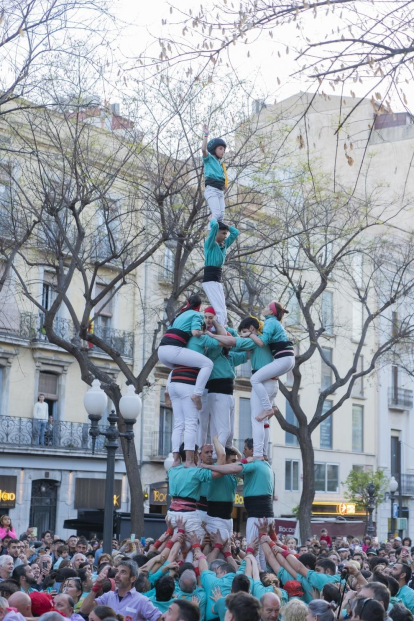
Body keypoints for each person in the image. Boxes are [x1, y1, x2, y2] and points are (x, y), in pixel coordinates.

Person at [211, 317, 278, 460]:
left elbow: (231, 341)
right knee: (265, 422)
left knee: (257, 420)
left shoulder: (254, 341)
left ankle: (259, 454)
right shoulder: (266, 341)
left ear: (252, 330)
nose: (243, 335)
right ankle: (264, 453)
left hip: (263, 383)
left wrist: (212, 335)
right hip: (272, 384)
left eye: (245, 332)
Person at [200, 456, 274, 569]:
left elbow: (235, 468)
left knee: (255, 553)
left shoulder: (251, 468)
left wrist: (231, 551)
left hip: (239, 519)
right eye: (233, 461)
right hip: (215, 517)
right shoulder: (215, 470)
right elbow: (231, 465)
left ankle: (259, 573)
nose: (238, 462)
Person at [167, 326, 222, 467]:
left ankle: (176, 459)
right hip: (187, 382)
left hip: (174, 381)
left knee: (178, 424)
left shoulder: (182, 341)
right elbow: (223, 341)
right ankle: (190, 461)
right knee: (191, 423)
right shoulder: (200, 338)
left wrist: (167, 390)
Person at [158, 294, 213, 411]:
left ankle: (167, 389)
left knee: (176, 366)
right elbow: (194, 332)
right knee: (208, 364)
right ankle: (197, 394)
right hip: (172, 349)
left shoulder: (179, 315)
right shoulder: (197, 314)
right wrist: (205, 333)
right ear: (199, 306)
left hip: (161, 350)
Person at [248, 301, 295, 420]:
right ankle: (273, 406)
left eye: (266, 307)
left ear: (271, 312)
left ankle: (268, 408)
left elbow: (262, 342)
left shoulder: (269, 322)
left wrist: (250, 335)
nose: (263, 308)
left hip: (283, 359)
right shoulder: (275, 323)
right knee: (266, 378)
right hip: (288, 359)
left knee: (254, 379)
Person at [80, 560, 161, 621]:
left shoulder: (141, 601)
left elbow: (159, 618)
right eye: (117, 571)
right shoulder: (108, 596)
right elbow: (84, 609)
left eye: (123, 572)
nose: (117, 575)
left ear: (132, 578)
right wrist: (97, 586)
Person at [201, 217, 239, 330]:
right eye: (223, 233)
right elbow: (214, 227)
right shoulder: (210, 244)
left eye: (226, 234)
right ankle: (219, 329)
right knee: (219, 309)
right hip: (210, 280)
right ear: (216, 233)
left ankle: (223, 327)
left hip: (216, 280)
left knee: (223, 308)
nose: (225, 236)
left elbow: (235, 232)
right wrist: (213, 220)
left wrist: (226, 226)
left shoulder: (223, 245)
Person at [201, 126, 227, 224]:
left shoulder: (221, 165)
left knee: (221, 217)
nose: (223, 151)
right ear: (214, 149)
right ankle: (210, 234)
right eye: (220, 149)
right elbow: (203, 150)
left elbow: (222, 178)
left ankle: (217, 236)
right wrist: (206, 135)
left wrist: (224, 185)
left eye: (224, 150)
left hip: (219, 191)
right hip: (211, 189)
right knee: (216, 214)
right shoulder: (209, 159)